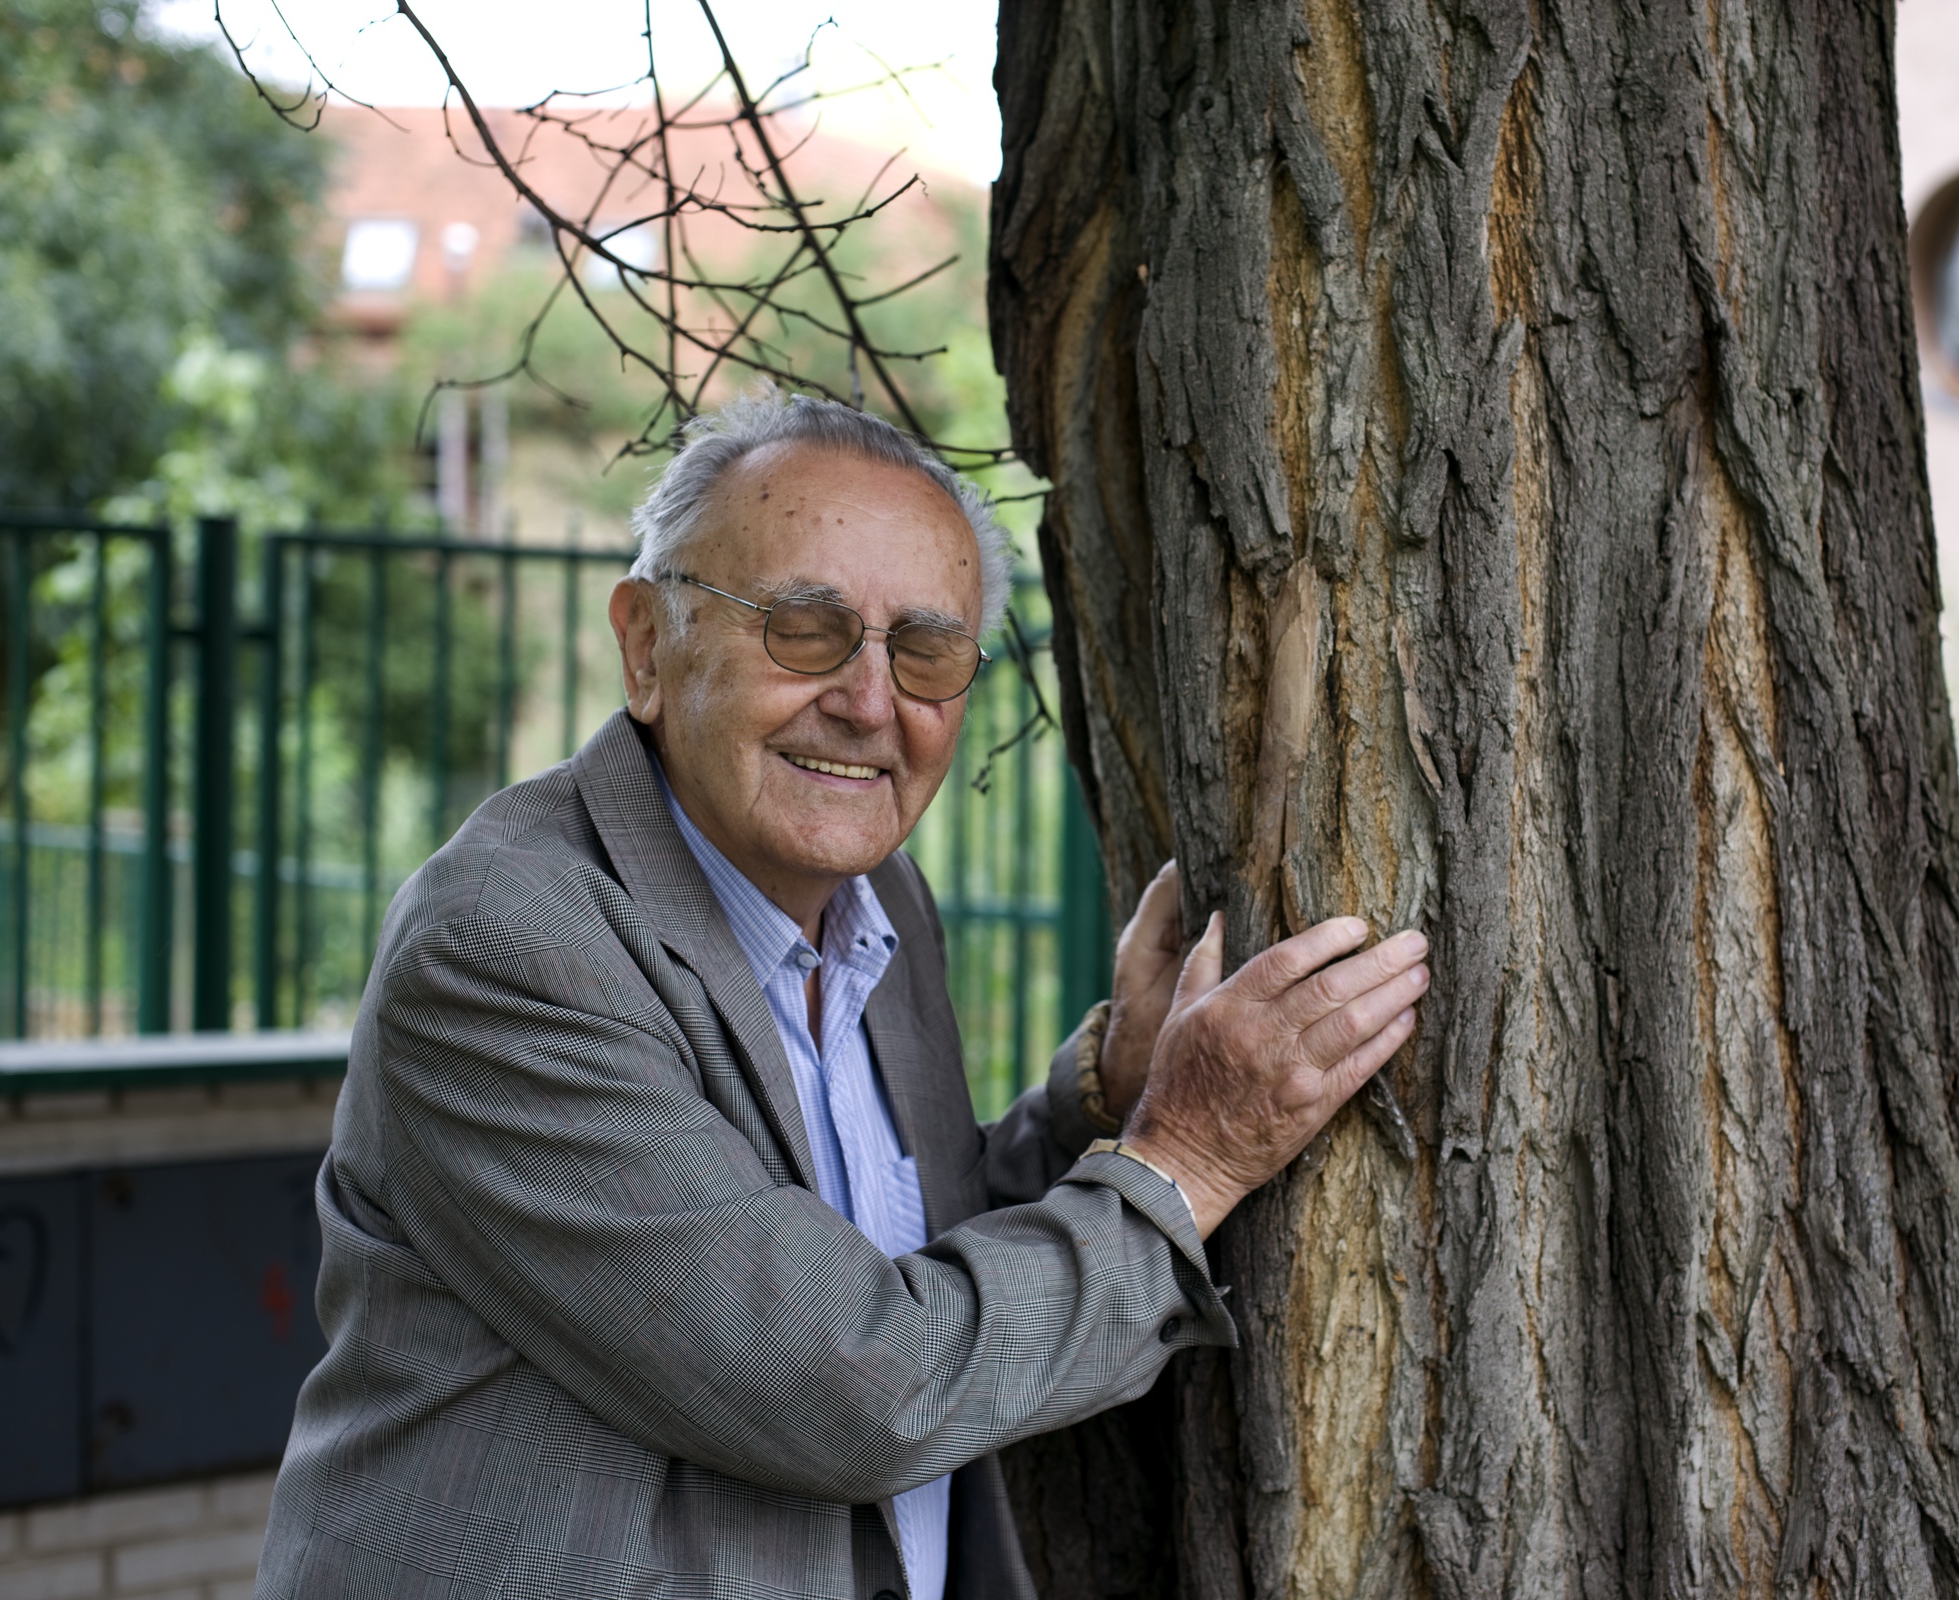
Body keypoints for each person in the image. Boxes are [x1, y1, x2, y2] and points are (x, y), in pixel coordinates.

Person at [257, 389, 1427, 1600]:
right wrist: (1191, 1156)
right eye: (804, 629)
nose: (871, 702)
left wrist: (1112, 1098)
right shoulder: (508, 947)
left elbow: (898, 1252)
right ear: (647, 646)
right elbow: (856, 1380)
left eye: (926, 651)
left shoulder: (877, 900)